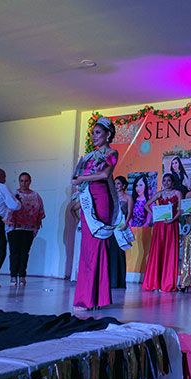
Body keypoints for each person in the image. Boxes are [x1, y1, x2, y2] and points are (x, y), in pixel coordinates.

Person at [72, 117, 120, 309]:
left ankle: (97, 297)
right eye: (93, 133)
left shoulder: (112, 152)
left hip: (101, 198)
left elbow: (104, 175)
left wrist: (82, 177)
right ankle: (86, 296)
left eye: (98, 133)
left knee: (98, 244)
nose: (95, 136)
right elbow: (78, 177)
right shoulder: (88, 157)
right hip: (87, 197)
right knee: (87, 246)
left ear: (108, 134)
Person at [142, 173, 182, 292]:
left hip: (172, 224)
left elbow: (181, 209)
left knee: (169, 251)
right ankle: (155, 282)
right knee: (158, 251)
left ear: (173, 182)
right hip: (160, 226)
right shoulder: (159, 194)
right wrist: (155, 214)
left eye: (168, 180)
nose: (166, 182)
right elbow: (146, 205)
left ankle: (167, 283)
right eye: (164, 180)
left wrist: (173, 219)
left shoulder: (177, 193)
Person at [6, 172, 45, 286]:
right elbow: (7, 209)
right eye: (22, 181)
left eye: (26, 180)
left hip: (29, 228)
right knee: (14, 253)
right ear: (19, 182)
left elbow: (40, 212)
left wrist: (37, 226)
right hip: (14, 228)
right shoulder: (14, 194)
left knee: (24, 253)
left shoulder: (36, 195)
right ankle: (13, 276)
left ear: (30, 181)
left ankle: (22, 275)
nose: (24, 183)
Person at [107, 175, 133, 288]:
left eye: (118, 183)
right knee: (110, 253)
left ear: (123, 185)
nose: (116, 185)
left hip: (121, 228)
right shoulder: (111, 197)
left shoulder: (128, 197)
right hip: (111, 228)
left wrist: (125, 224)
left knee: (120, 253)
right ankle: (110, 281)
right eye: (115, 183)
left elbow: (130, 212)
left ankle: (119, 282)